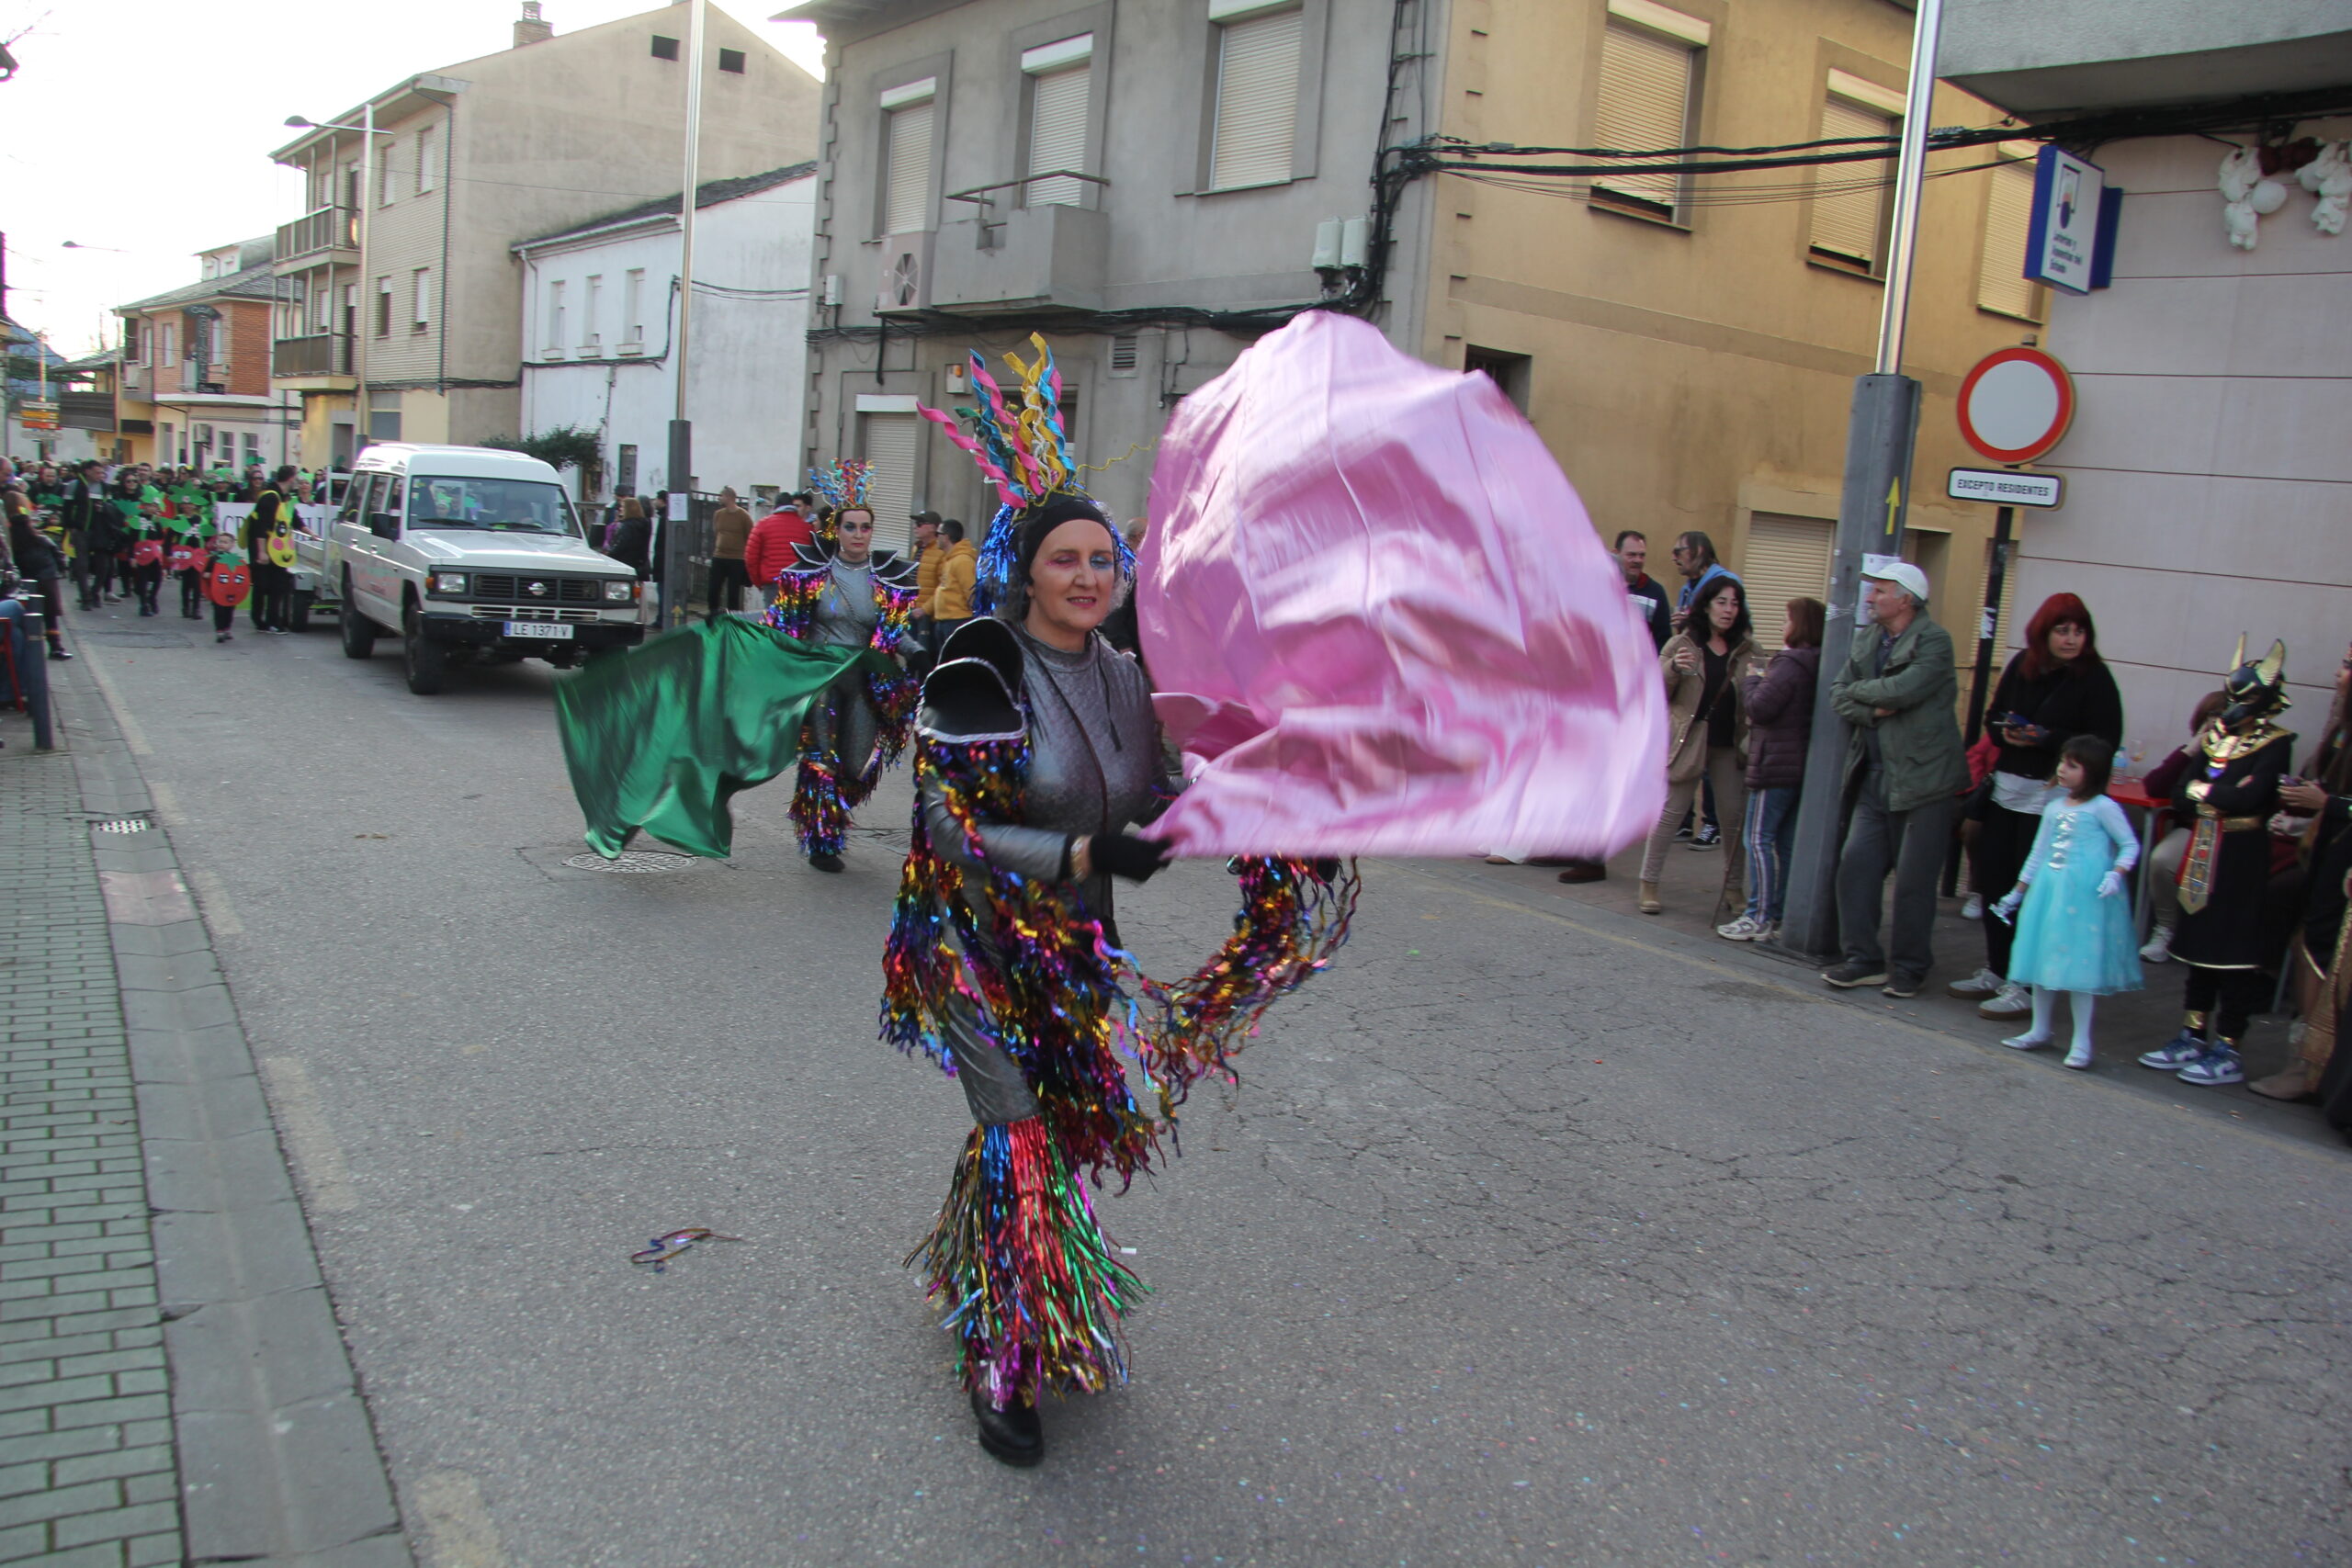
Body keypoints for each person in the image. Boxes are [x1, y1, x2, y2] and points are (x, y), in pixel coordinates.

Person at [883, 340, 1352, 1469]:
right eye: (1067, 560)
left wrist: (1275, 825)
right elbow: (950, 830)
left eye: (1104, 559)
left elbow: (1163, 788)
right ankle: (1002, 1360)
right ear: (1026, 570)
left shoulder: (1124, 673)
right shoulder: (982, 664)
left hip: (1076, 949)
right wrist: (1086, 847)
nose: (1090, 577)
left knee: (1039, 1134)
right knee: (1021, 1134)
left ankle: (982, 1266)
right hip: (974, 947)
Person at [1948, 594, 2125, 1021]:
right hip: (2008, 788)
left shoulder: (2095, 678)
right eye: (2062, 631)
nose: (2071, 639)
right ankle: (1998, 967)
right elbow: (1993, 717)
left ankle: (2026, 983)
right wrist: (2007, 732)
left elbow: (2104, 741)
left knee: (2033, 892)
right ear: (2044, 633)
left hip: (2053, 799)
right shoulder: (2023, 666)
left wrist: (2046, 738)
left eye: (2079, 631)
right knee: (1996, 881)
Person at [2139, 639, 2296, 1088]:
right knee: (2199, 944)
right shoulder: (2214, 739)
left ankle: (2229, 1044)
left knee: (2234, 950)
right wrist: (2219, 793)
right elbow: (2179, 792)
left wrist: (2207, 793)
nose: (2235, 704)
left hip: (2243, 853)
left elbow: (2254, 796)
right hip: (2203, 848)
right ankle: (2192, 1032)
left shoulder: (2277, 743)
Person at [1821, 561, 1969, 998]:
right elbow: (1837, 693)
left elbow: (1905, 690)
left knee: (1913, 883)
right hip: (1874, 776)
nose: (1870, 598)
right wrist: (1873, 707)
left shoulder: (1935, 641)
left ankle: (1909, 966)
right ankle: (1863, 959)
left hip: (1924, 780)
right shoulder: (1868, 639)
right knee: (1856, 868)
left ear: (1906, 599)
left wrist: (1864, 694)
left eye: (1880, 591)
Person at [763, 464, 920, 873]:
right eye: (850, 527)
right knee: (821, 759)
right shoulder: (811, 576)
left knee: (856, 762)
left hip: (865, 681)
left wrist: (919, 653)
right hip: (821, 681)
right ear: (837, 530)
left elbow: (895, 632)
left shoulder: (886, 580)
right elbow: (779, 623)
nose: (858, 534)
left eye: (865, 527)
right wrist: (735, 627)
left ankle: (833, 815)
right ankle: (822, 839)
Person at [1989, 735, 2143, 1068]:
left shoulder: (2103, 807)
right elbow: (2038, 853)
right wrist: (2018, 891)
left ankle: (2082, 1041)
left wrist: (2116, 873)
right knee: (2042, 959)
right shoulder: (2053, 807)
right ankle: (2039, 1029)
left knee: (2079, 968)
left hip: (2084, 897)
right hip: (2048, 893)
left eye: (2072, 765)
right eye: (2062, 762)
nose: (2062, 769)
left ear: (2093, 771)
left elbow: (2130, 844)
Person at [2250, 638, 2352, 1100]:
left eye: (2348, 665)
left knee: (2321, 951)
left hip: (2345, 863)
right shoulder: (2341, 724)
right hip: (2327, 852)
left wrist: (2327, 803)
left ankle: (2311, 1068)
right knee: (2306, 940)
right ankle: (2307, 1060)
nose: (2339, 673)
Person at [1635, 574, 1753, 918]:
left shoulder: (1748, 649)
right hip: (1688, 740)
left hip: (1729, 744)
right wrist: (1673, 668)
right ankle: (1648, 883)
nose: (1728, 610)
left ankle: (1734, 888)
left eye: (1734, 604)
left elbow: (1756, 697)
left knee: (1733, 819)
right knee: (1671, 814)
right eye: (1721, 602)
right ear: (1706, 605)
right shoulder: (1683, 644)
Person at [1719, 596, 1822, 942]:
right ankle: (1780, 912)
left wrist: (1752, 680)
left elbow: (1760, 708)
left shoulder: (1790, 663)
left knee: (1757, 838)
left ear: (1800, 625)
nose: (1782, 626)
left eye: (1787, 620)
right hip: (1798, 765)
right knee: (1786, 843)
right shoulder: (1817, 662)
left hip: (1775, 762)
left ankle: (1758, 915)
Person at [2136, 691, 2231, 964]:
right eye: (2212, 717)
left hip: (2230, 832)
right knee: (2162, 859)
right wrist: (2191, 750)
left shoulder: (2246, 756)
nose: (2218, 724)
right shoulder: (2194, 754)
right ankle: (2165, 929)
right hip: (2193, 827)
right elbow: (2155, 786)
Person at [5, 494, 68, 660]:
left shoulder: (11, 539)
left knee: (27, 614)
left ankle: (29, 647)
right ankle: (56, 647)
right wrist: (60, 568)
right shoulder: (38, 536)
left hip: (24, 580)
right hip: (46, 577)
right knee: (50, 615)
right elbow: (56, 552)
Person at [742, 494, 814, 591]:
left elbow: (751, 558)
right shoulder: (807, 528)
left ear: (775, 506)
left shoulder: (762, 525)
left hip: (772, 582)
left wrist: (758, 582)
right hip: (798, 582)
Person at [1615, 529, 1672, 649]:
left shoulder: (1656, 592)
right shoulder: (1602, 588)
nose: (1638, 560)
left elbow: (1663, 641)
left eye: (1642, 555)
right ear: (1616, 554)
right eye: (1631, 555)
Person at [706, 487, 753, 622]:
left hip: (736, 559)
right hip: (719, 556)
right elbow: (717, 532)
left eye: (721, 495)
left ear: (729, 497)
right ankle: (713, 617)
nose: (719, 498)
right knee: (713, 589)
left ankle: (733, 620)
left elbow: (750, 536)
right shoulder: (718, 514)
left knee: (733, 593)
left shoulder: (743, 516)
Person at [929, 516, 977, 645]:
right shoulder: (950, 559)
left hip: (957, 622)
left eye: (938, 534)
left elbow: (971, 594)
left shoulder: (963, 561)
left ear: (946, 537)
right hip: (944, 622)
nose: (935, 537)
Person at [907, 510, 943, 661]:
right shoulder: (917, 548)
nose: (915, 527)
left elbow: (942, 587)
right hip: (912, 611)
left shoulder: (940, 552)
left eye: (920, 524)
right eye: (915, 523)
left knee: (926, 657)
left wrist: (925, 609)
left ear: (933, 528)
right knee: (910, 656)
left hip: (928, 618)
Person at [203, 531, 250, 645]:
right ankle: (219, 630)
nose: (222, 544)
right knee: (219, 610)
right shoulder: (213, 558)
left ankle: (227, 628)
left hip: (231, 591)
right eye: (220, 542)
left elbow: (240, 574)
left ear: (232, 545)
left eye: (225, 542)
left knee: (229, 610)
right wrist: (208, 575)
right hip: (217, 591)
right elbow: (206, 573)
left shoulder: (236, 560)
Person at [603, 497, 651, 579]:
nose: (620, 509)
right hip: (638, 563)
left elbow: (621, 545)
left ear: (629, 509)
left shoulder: (627, 526)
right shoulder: (643, 524)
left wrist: (609, 555)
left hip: (625, 563)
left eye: (623, 506)